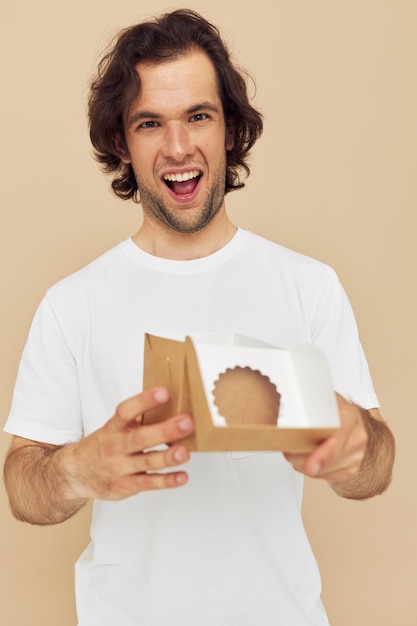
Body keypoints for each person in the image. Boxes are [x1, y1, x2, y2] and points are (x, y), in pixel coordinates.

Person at [3, 8, 395, 626]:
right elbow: (23, 488)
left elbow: (375, 468)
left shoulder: (308, 287)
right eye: (150, 123)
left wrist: (357, 446)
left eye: (199, 116)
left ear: (231, 131)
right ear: (120, 144)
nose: (179, 147)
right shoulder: (72, 304)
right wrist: (79, 468)